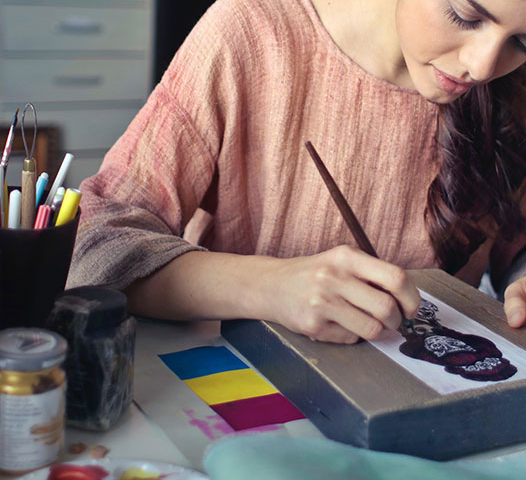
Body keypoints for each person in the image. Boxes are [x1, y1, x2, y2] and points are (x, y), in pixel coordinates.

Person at [66, 0, 526, 344]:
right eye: (465, 15)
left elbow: (515, 250)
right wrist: (269, 287)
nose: (482, 66)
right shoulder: (251, 33)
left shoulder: (513, 83)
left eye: (522, 42)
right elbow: (95, 246)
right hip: (235, 394)